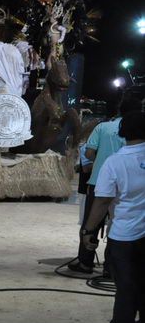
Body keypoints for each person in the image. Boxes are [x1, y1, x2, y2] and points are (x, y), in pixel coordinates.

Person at [81, 111, 145, 323]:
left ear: (122, 133)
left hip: (125, 235)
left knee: (126, 286)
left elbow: (103, 201)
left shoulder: (115, 162)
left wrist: (88, 231)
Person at [70, 99, 129, 274]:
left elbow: (89, 152)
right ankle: (110, 267)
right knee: (117, 225)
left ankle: (85, 262)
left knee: (91, 221)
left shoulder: (103, 127)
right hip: (124, 184)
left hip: (99, 181)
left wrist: (103, 159)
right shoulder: (135, 132)